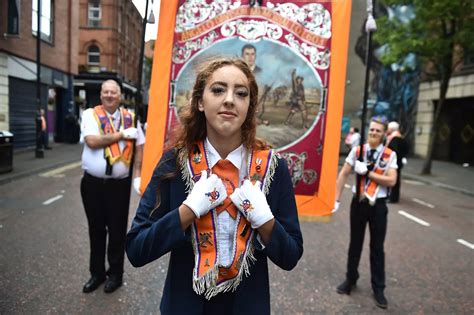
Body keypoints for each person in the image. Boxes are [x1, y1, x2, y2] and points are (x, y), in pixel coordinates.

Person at [126, 58, 303, 314]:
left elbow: (291, 256)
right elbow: (136, 250)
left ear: (249, 107)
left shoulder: (273, 168)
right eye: (218, 90)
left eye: (241, 93)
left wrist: (265, 221)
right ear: (200, 101)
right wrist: (187, 210)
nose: (230, 99)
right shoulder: (173, 164)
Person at [80, 79, 145, 294]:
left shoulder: (131, 118)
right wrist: (121, 135)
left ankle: (115, 275)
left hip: (119, 185)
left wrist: (137, 175)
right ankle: (96, 274)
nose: (109, 95)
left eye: (113, 92)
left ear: (119, 96)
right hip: (93, 184)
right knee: (96, 230)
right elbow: (92, 141)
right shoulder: (90, 114)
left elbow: (141, 146)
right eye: (105, 91)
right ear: (101, 95)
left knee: (117, 231)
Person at [333, 116, 397, 309]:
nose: (373, 133)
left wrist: (368, 173)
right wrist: (336, 199)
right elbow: (343, 174)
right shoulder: (357, 151)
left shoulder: (389, 155)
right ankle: (350, 279)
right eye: (371, 130)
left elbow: (392, 180)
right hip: (359, 203)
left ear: (384, 133)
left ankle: (379, 288)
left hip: (378, 206)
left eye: (378, 131)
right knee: (355, 244)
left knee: (377, 248)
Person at [386, 121, 409, 203]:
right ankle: (391, 196)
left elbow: (393, 150)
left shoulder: (394, 138)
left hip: (394, 162)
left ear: (391, 129)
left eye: (388, 128)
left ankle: (392, 197)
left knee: (393, 179)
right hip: (398, 161)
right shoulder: (400, 137)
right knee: (395, 179)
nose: (387, 130)